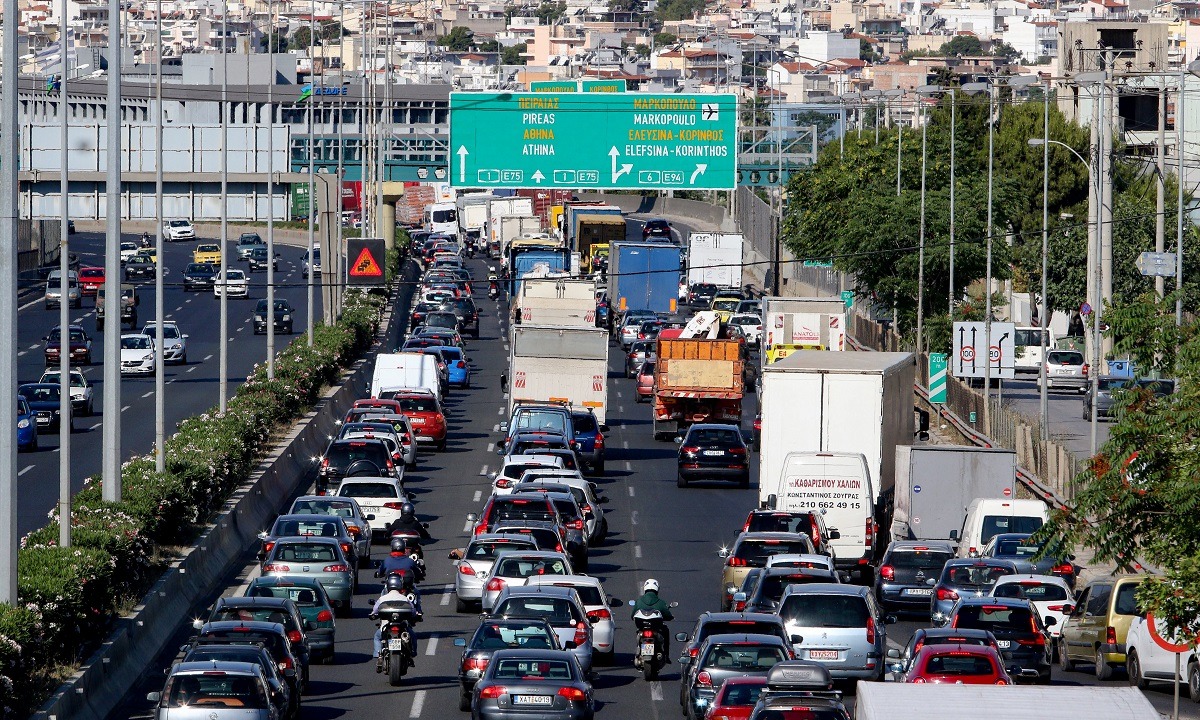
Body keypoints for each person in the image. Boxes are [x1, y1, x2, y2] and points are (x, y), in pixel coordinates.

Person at [371, 572, 423, 671]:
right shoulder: (404, 598)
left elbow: (375, 611)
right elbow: (413, 612)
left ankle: (379, 656)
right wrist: (417, 616)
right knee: (412, 636)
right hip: (403, 626)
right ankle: (412, 654)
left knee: (377, 637)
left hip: (386, 626)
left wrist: (372, 615)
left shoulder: (382, 598)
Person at [631, 578, 674, 660]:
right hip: (656, 628)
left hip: (642, 629)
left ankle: (638, 650)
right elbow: (667, 615)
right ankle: (666, 655)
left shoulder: (639, 601)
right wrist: (670, 617)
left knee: (638, 632)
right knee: (666, 631)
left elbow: (632, 615)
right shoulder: (660, 602)